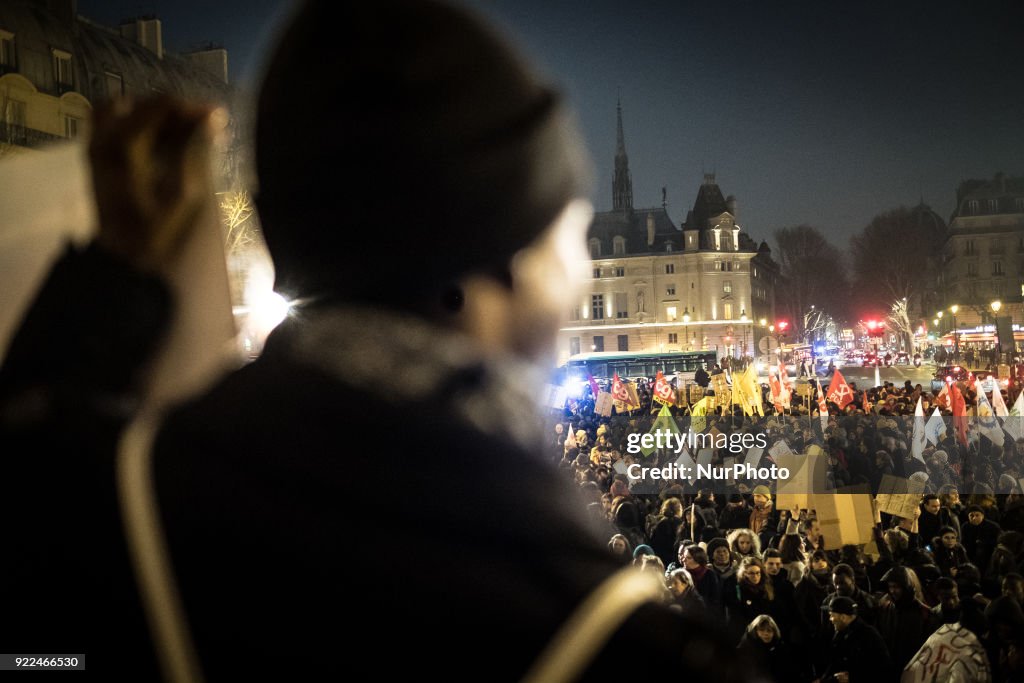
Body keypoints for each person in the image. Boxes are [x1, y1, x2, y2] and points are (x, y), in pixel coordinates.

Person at [0, 2, 758, 681]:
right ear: (499, 251)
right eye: (568, 222)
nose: (583, 262)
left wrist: (110, 294)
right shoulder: (629, 647)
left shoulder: (92, 512)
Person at [817, 595, 892, 683]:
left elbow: (884, 669)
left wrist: (854, 678)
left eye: (832, 615)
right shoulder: (840, 634)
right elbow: (834, 663)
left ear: (843, 617)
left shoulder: (869, 635)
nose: (830, 619)